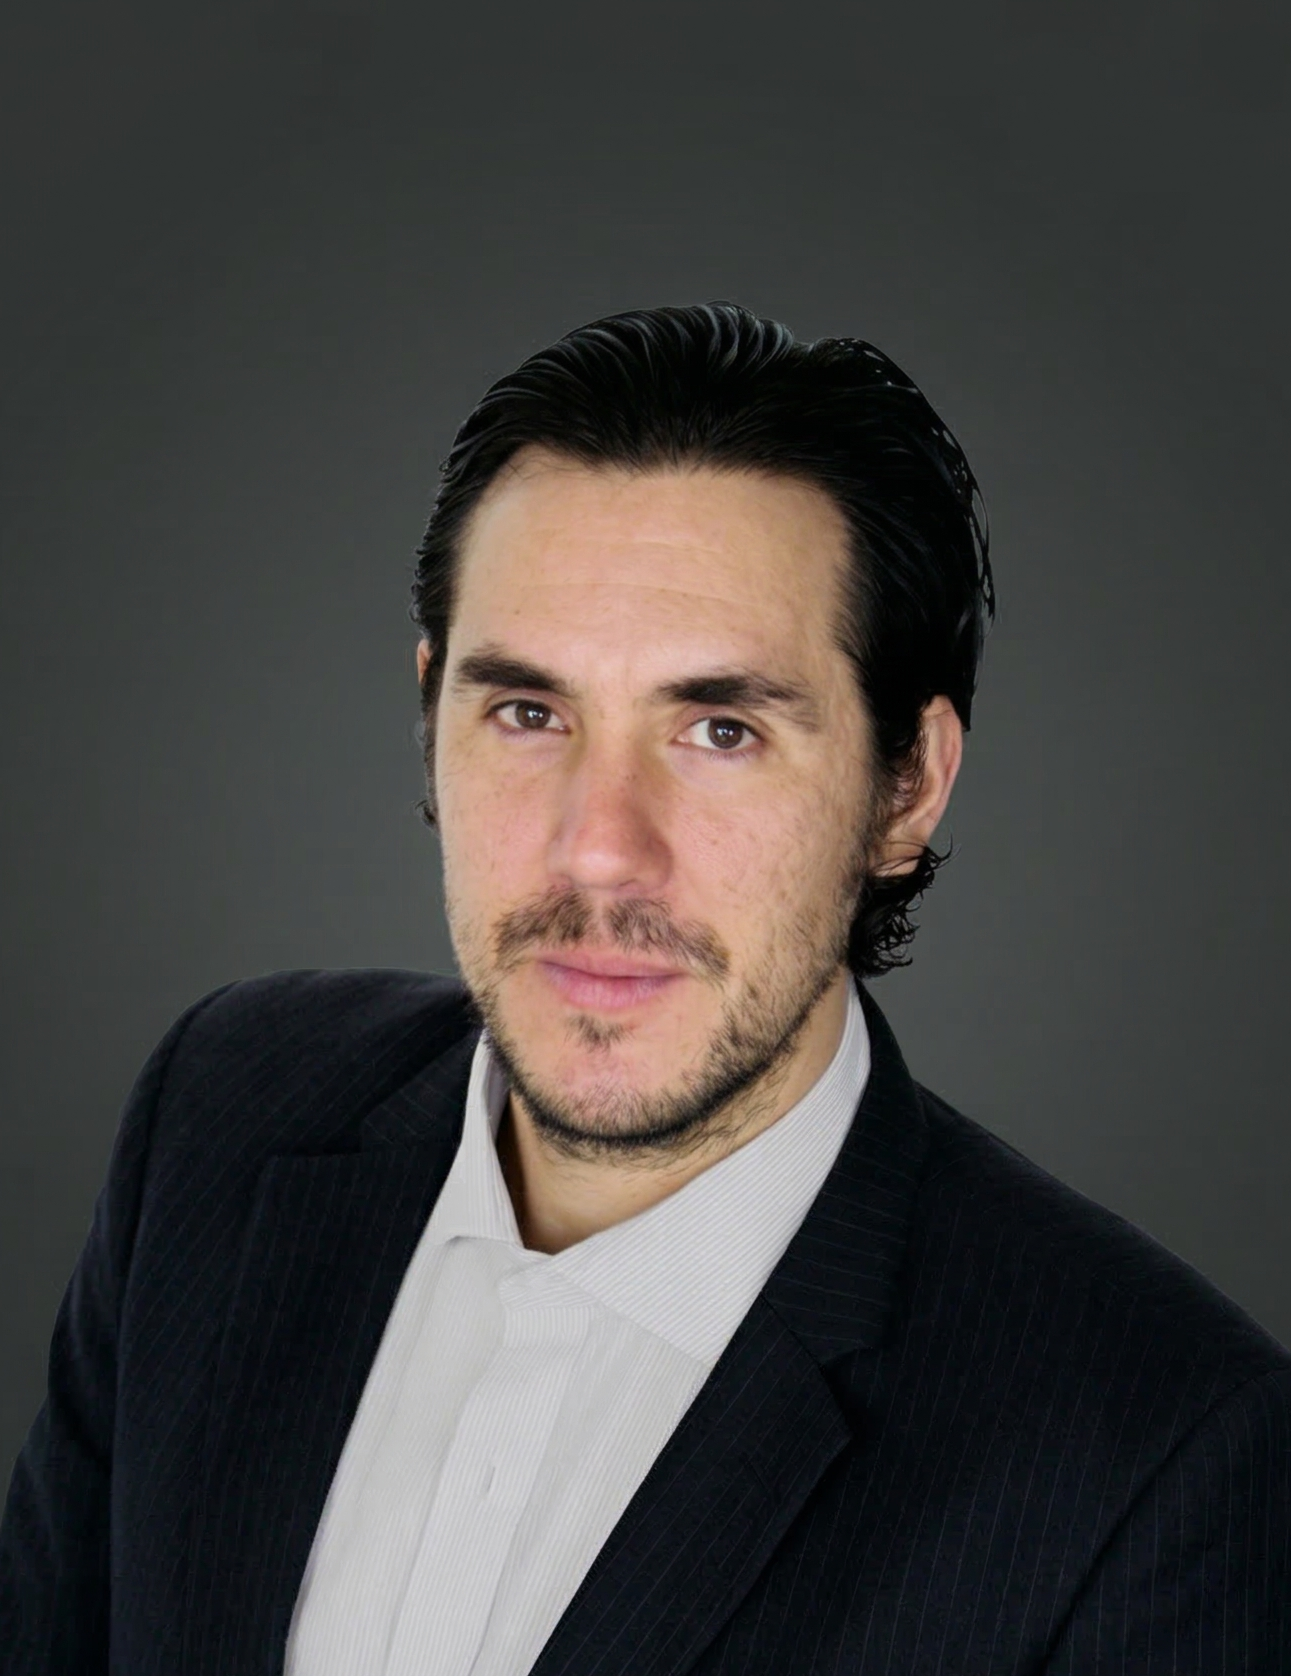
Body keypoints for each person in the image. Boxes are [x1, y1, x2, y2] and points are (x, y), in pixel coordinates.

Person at [2, 303, 1287, 1676]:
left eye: (720, 729)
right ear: (430, 717)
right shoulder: (222, 1111)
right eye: (528, 713)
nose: (600, 848)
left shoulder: (1162, 1455)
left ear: (905, 786)